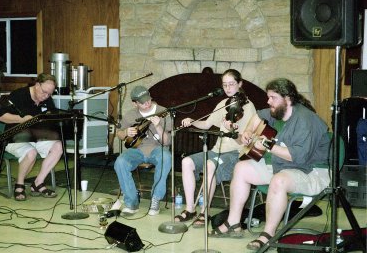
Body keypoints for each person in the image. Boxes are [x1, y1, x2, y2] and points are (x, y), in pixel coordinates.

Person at [209, 78, 331, 251]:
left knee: (278, 181)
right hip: (285, 166)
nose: (268, 101)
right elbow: (258, 115)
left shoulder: (306, 120)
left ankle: (268, 234)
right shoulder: (280, 112)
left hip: (313, 172)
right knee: (241, 168)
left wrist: (268, 145)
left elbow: (296, 157)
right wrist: (249, 132)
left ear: (287, 98)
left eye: (272, 97)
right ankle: (233, 222)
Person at [174, 69, 256, 227]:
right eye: (225, 85)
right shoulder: (223, 104)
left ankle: (204, 212)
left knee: (210, 164)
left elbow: (246, 142)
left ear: (240, 84)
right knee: (186, 162)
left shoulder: (248, 107)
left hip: (235, 155)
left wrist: (232, 131)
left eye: (231, 84)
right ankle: (190, 208)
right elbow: (206, 124)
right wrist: (192, 120)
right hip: (216, 151)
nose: (228, 88)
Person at [0, 73, 62, 201]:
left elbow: (51, 117)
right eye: (44, 92)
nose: (46, 96)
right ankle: (19, 184)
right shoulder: (19, 95)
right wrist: (21, 119)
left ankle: (38, 183)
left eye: (49, 94)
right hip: (14, 137)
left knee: (58, 146)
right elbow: (0, 116)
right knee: (31, 153)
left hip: (37, 136)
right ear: (37, 85)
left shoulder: (46, 99)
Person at [114, 85, 172, 216]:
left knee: (166, 158)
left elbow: (167, 142)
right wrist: (125, 132)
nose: (147, 103)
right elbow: (119, 133)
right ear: (135, 103)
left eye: (148, 99)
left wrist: (158, 126)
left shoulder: (164, 112)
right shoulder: (131, 115)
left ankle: (156, 199)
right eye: (142, 102)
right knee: (120, 162)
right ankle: (131, 202)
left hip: (158, 148)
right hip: (137, 149)